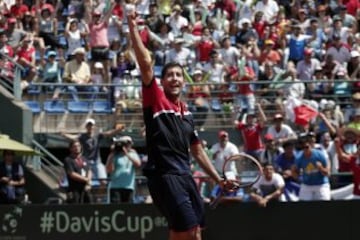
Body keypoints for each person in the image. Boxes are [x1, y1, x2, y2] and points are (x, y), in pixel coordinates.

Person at [127, 7, 232, 240]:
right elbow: (145, 63)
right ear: (162, 81)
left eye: (178, 75)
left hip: (185, 176)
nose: (174, 78)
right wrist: (133, 28)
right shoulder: (155, 98)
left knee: (190, 233)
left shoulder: (187, 113)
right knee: (190, 231)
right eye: (170, 75)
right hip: (165, 176)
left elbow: (197, 151)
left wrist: (218, 180)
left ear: (184, 82)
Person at [61, 118, 124, 186]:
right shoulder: (82, 136)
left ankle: (101, 196)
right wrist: (65, 135)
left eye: (91, 125)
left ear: (94, 126)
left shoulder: (98, 135)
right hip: (86, 162)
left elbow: (108, 133)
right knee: (84, 181)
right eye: (88, 125)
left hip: (97, 162)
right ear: (86, 127)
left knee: (104, 181)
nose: (90, 127)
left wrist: (117, 130)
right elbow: (74, 137)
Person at [291, 134, 331, 201]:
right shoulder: (298, 157)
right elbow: (296, 176)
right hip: (307, 184)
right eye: (302, 148)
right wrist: (293, 172)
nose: (305, 149)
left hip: (321, 184)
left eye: (306, 147)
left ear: (311, 146)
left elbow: (328, 173)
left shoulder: (320, 155)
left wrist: (321, 168)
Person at [106, 136, 141, 203]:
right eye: (126, 144)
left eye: (129, 143)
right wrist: (112, 154)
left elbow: (138, 164)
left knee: (128, 209)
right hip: (115, 187)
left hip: (128, 187)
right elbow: (109, 170)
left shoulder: (133, 154)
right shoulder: (115, 155)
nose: (128, 145)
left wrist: (127, 154)